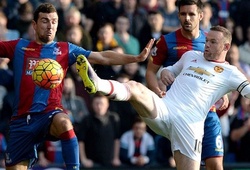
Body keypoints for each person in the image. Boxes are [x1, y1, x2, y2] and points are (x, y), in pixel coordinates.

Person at [0, 3, 154, 170]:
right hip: (22, 120)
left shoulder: (64, 49)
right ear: (34, 25)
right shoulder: (19, 47)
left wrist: (135, 58)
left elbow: (102, 57)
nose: (50, 25)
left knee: (66, 123)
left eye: (54, 21)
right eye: (45, 21)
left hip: (50, 114)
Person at [75, 25, 250, 170]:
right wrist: (165, 73)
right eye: (207, 40)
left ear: (226, 47)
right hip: (165, 109)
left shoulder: (231, 73)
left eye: (213, 42)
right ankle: (97, 83)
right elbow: (170, 70)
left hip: (189, 127)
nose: (207, 45)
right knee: (135, 87)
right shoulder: (191, 56)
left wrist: (226, 95)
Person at [146, 0, 227, 169]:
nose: (187, 18)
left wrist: (223, 91)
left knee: (216, 166)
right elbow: (150, 72)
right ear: (178, 16)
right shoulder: (166, 41)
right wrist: (158, 92)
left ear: (201, 15)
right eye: (183, 14)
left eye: (191, 14)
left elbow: (219, 69)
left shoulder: (210, 40)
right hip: (181, 114)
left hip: (207, 112)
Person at [77, 93, 121, 168]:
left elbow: (116, 139)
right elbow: (81, 141)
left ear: (107, 104)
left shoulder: (114, 118)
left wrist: (116, 158)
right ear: (92, 105)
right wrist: (84, 159)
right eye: (96, 104)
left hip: (109, 162)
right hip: (91, 164)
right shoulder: (86, 120)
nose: (99, 107)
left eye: (102, 104)